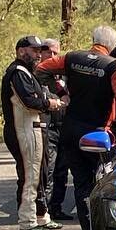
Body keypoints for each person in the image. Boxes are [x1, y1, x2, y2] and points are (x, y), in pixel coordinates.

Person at [35, 26, 116, 230]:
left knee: (81, 183)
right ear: (113, 46)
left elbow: (42, 69)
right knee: (103, 183)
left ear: (93, 40)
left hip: (70, 130)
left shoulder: (72, 58)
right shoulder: (114, 66)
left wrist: (61, 92)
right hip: (97, 135)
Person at [0, 35, 62, 230]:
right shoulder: (17, 72)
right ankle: (27, 221)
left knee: (41, 174)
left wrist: (45, 99)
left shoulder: (28, 72)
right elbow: (29, 101)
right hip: (23, 128)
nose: (37, 54)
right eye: (34, 50)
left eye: (38, 50)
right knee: (30, 175)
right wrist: (48, 104)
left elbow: (38, 96)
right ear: (21, 51)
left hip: (34, 127)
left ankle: (42, 216)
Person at [36, 37, 70, 220]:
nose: (51, 55)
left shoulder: (64, 75)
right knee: (47, 170)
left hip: (64, 128)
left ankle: (56, 207)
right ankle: (44, 210)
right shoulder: (35, 75)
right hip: (46, 128)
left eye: (55, 52)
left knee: (62, 171)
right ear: (41, 52)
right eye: (48, 51)